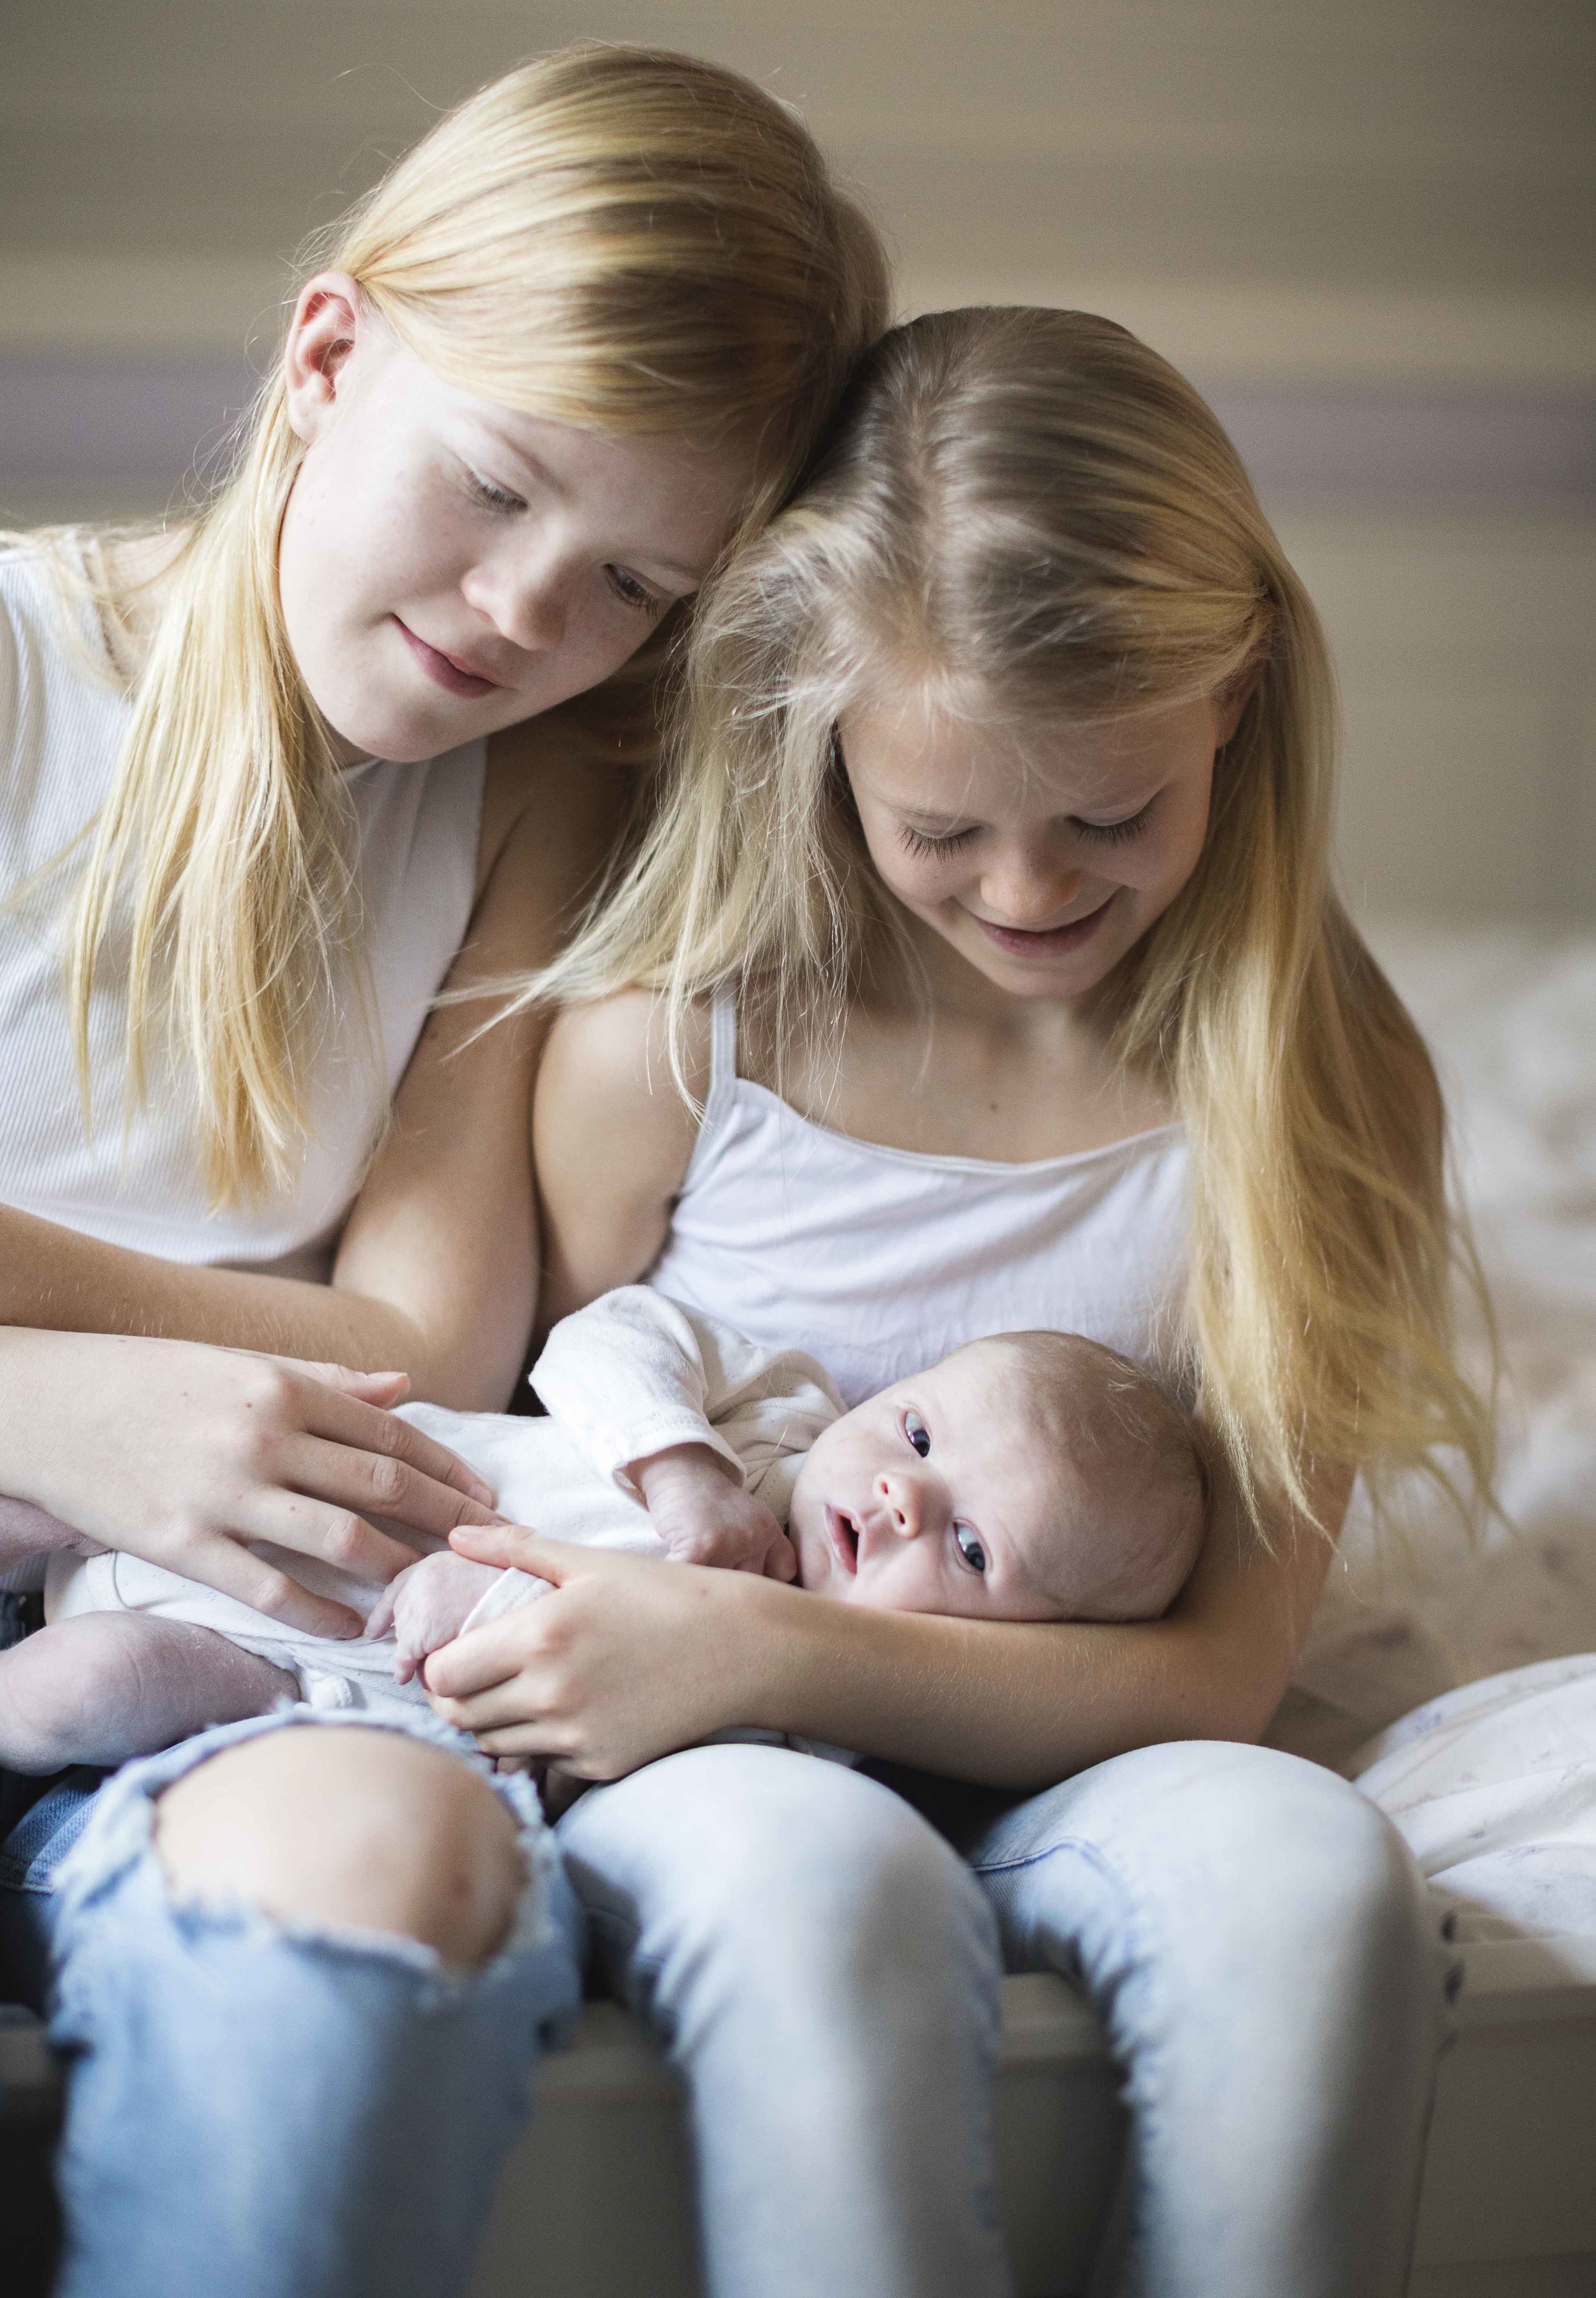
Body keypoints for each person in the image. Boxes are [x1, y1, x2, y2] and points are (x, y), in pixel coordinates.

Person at [418, 307, 1496, 2296]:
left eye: (1106, 817)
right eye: (940, 830)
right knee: (822, 1912)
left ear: (1234, 694)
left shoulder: (1313, 1079)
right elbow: (533, 1436)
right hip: (711, 1763)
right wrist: (692, 1644)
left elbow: (1217, 1670)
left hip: (1097, 1740)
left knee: (1312, 1891)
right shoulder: (677, 1036)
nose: (1021, 891)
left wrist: (750, 1636)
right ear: (814, 729)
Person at [0, 43, 887, 2296]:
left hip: (213, 1632)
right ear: (330, 350)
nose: (524, 617)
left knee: (389, 1871)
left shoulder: (535, 798)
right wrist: (22, 1397)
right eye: (491, 492)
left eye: (635, 590)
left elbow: (425, 1339)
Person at [0, 1288, 1205, 1762]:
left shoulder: (808, 1717)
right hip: (295, 1487)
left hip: (271, 1679)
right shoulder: (778, 1417)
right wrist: (681, 1469)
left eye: (973, 1551)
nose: (903, 1497)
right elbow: (602, 1335)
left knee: (76, 1695)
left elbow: (595, 1741)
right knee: (23, 1501)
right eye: (923, 1437)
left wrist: (493, 1615)